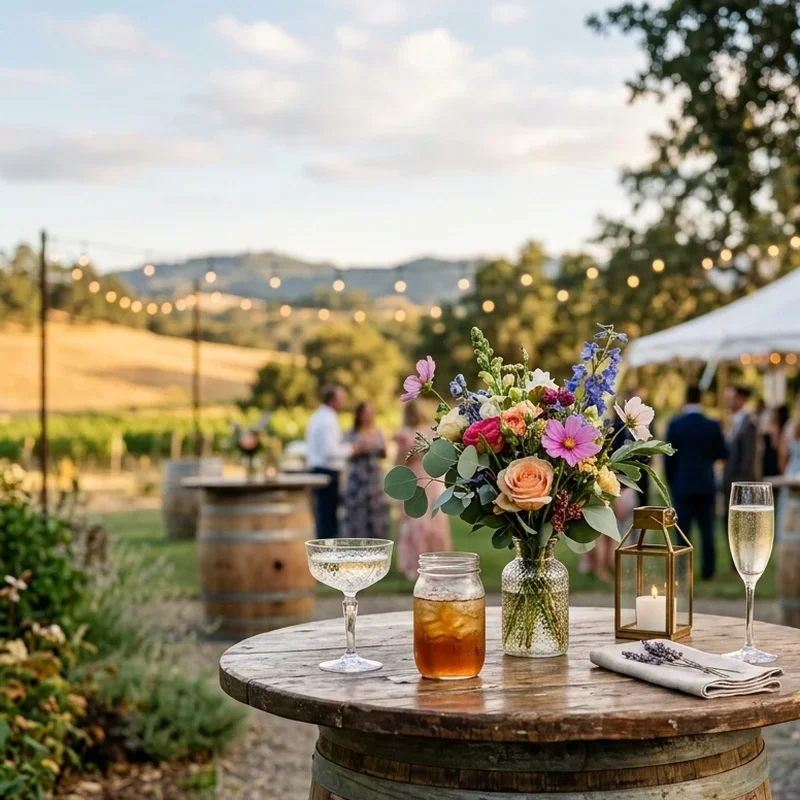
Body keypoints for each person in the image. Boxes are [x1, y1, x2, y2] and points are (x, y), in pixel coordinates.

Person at [665, 385, 727, 580]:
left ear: (686, 398)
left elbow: (669, 458)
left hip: (682, 485)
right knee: (707, 531)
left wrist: (672, 481)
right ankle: (709, 572)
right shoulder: (712, 424)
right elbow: (723, 452)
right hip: (706, 484)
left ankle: (682, 572)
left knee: (681, 532)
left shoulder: (675, 424)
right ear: (701, 399)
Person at [395, 399, 452, 581]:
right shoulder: (406, 435)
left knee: (433, 520)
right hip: (416, 479)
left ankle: (436, 563)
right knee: (418, 520)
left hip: (431, 479)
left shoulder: (432, 432)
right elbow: (398, 462)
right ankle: (417, 565)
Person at [306, 384, 360, 539]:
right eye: (341, 399)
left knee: (325, 516)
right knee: (327, 518)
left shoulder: (318, 416)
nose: (344, 402)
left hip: (320, 470)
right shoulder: (327, 420)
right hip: (326, 472)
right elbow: (330, 452)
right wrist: (352, 449)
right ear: (333, 400)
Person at [344, 402, 391, 539]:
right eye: (365, 414)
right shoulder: (351, 433)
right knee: (358, 516)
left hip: (374, 481)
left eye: (371, 414)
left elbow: (384, 453)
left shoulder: (377, 432)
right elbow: (346, 453)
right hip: (358, 481)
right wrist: (360, 449)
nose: (368, 417)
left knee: (377, 517)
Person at [722, 385, 758, 514]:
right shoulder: (732, 422)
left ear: (741, 399)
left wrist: (741, 485)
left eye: (730, 398)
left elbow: (748, 458)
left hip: (741, 484)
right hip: (729, 481)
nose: (726, 401)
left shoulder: (749, 424)